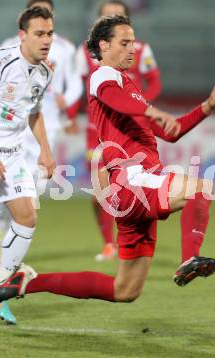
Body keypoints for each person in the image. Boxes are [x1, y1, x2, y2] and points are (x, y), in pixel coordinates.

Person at [0, 15, 215, 308]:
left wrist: (207, 107)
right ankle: (190, 258)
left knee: (125, 290)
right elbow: (117, 101)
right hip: (131, 179)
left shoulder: (127, 86)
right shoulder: (103, 76)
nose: (133, 49)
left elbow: (171, 132)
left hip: (131, 192)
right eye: (125, 42)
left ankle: (25, 282)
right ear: (104, 46)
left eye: (133, 42)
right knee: (199, 188)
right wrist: (151, 111)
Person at [0, 6, 56, 325]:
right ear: (23, 35)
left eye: (49, 33)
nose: (46, 40)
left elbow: (35, 112)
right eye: (39, 34)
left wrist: (45, 150)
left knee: (27, 217)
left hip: (12, 154)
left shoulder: (45, 71)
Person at [0, 0, 83, 261]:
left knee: (33, 187)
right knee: (10, 183)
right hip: (14, 124)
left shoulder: (64, 48)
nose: (44, 35)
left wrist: (67, 104)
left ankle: (8, 235)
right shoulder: (7, 46)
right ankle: (0, 227)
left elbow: (75, 84)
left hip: (47, 121)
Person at [73, 0, 162, 261]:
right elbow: (80, 86)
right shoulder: (86, 53)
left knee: (134, 184)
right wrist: (69, 113)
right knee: (101, 189)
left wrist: (140, 106)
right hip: (99, 130)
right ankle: (108, 243)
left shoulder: (141, 49)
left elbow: (155, 81)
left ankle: (130, 240)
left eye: (119, 15)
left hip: (132, 128)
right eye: (108, 15)